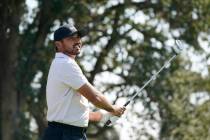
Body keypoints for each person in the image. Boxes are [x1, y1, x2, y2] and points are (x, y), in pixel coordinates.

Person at [42, 24, 126, 140]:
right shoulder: (65, 64)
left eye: (78, 38)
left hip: (65, 133)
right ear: (58, 44)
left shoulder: (62, 64)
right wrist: (113, 108)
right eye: (71, 39)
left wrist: (103, 116)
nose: (77, 41)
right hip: (66, 135)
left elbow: (72, 112)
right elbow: (95, 97)